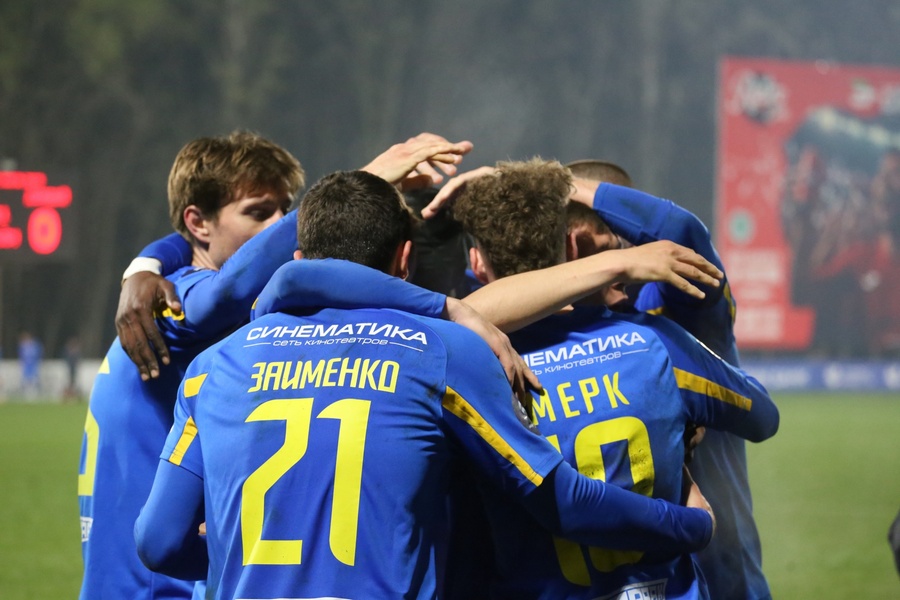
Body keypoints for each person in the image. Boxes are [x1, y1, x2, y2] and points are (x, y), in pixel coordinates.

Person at [134, 169, 717, 599]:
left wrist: (254, 556)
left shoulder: (212, 367)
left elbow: (158, 542)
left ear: (303, 254)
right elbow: (560, 502)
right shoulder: (440, 351)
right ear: (405, 260)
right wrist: (691, 525)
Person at [78, 131, 484, 600]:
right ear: (198, 223)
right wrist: (360, 186)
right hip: (158, 587)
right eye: (259, 212)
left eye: (285, 210)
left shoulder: (217, 317)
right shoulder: (163, 305)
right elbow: (225, 290)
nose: (279, 225)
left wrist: (147, 259)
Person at [448, 159, 779, 598]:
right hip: (684, 571)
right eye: (603, 244)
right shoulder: (655, 342)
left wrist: (548, 188)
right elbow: (763, 415)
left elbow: (683, 236)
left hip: (715, 580)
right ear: (570, 246)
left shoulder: (470, 366)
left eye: (624, 242)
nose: (619, 252)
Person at [18, 330, 43, 399]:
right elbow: (21, 355)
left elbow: (39, 353)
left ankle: (34, 394)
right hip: (26, 365)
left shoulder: (35, 345)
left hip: (34, 365)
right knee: (26, 379)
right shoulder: (23, 346)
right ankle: (26, 394)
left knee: (34, 379)